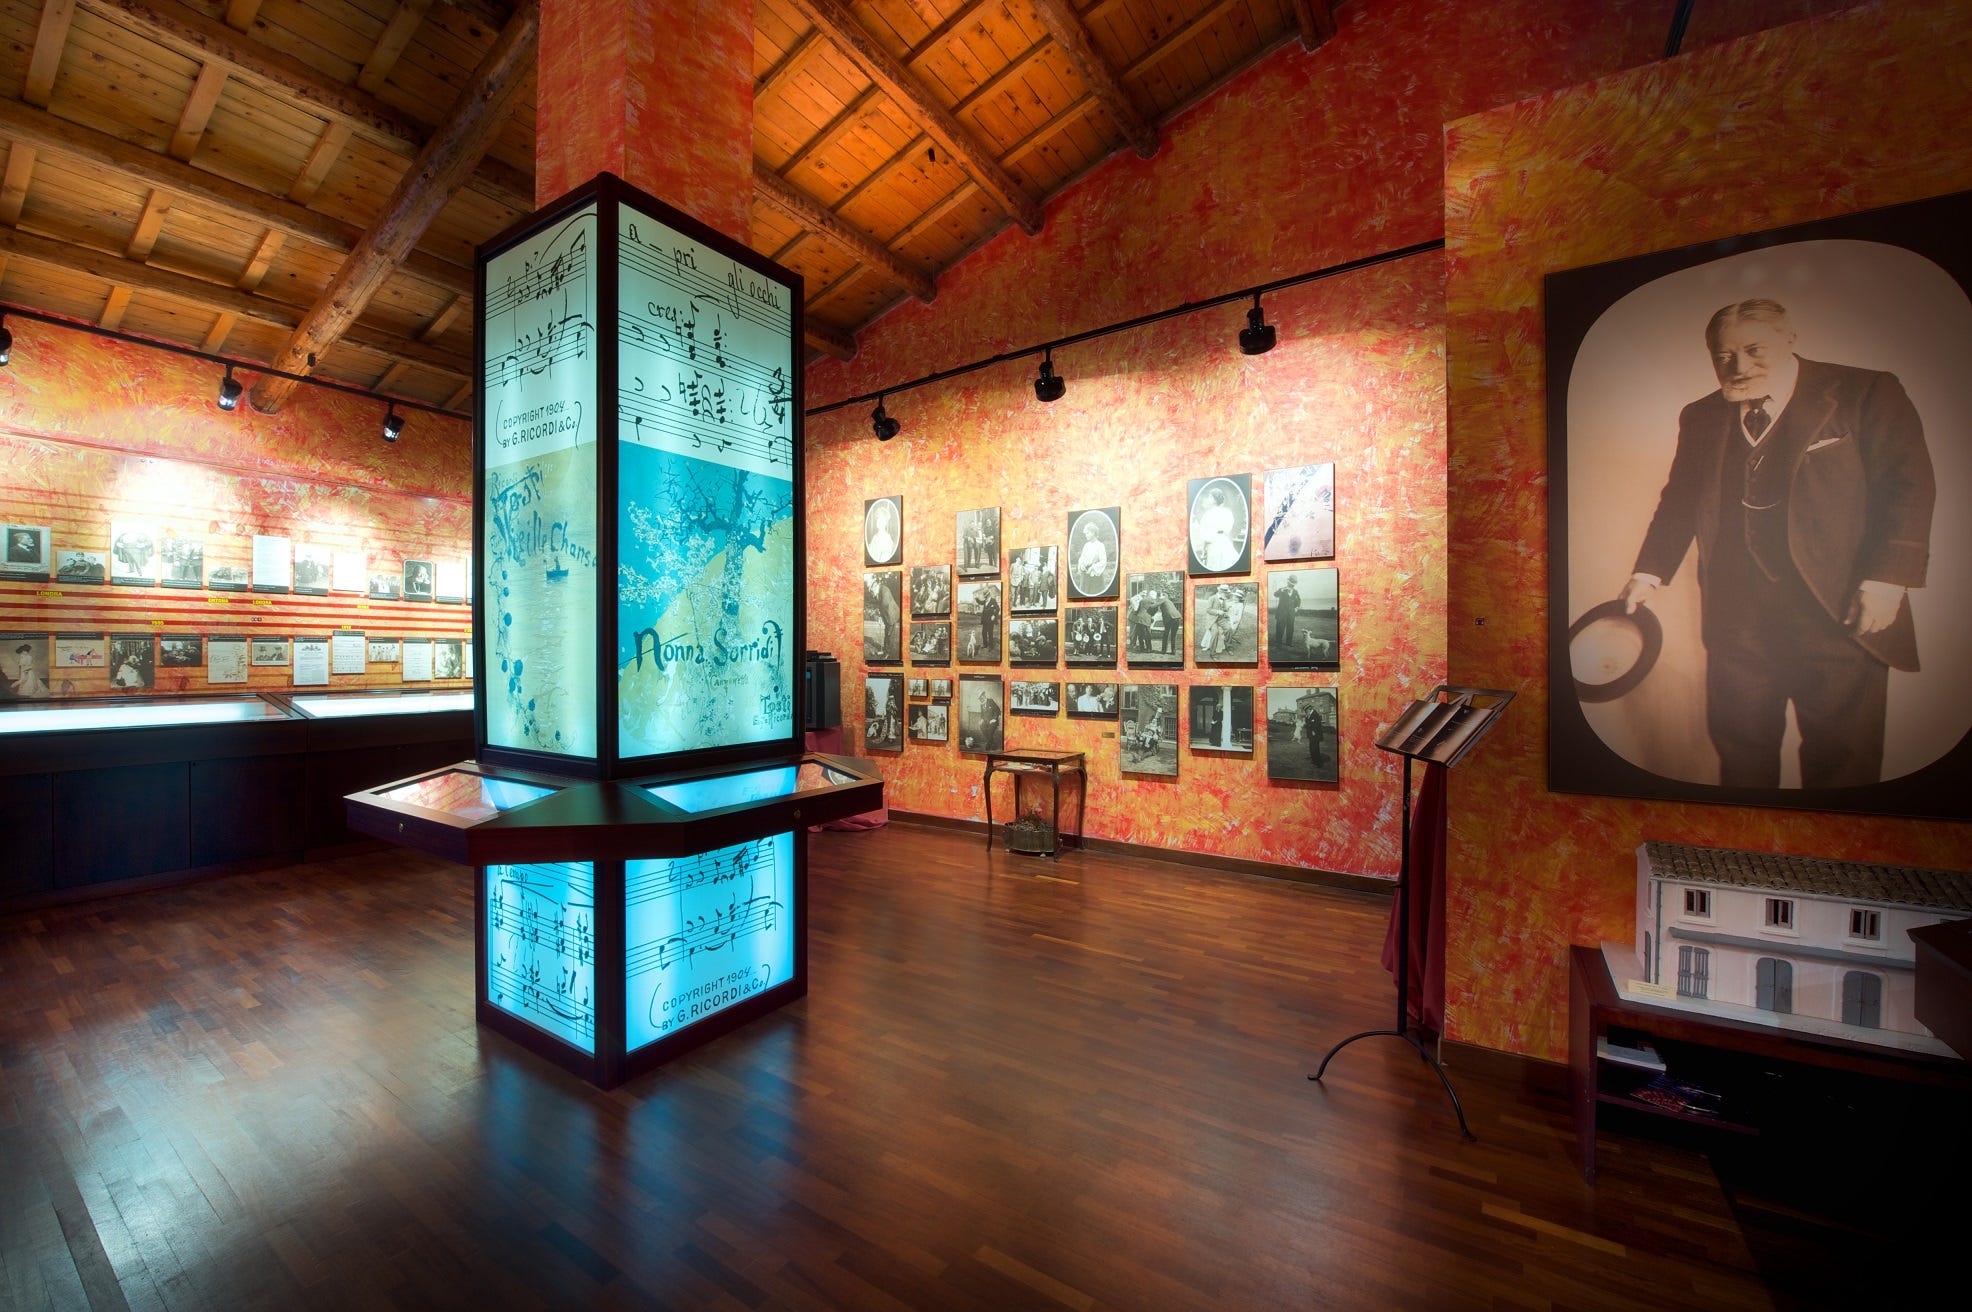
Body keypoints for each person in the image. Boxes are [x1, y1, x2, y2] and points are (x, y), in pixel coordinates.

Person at [1619, 298, 1935, 789]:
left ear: (1789, 340)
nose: (1738, 366)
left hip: (1839, 611)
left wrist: (1887, 581)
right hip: (1737, 620)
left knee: (1843, 762)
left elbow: (1908, 485)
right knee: (1741, 756)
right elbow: (1680, 498)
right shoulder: (1700, 415)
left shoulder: (1866, 391)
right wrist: (1648, 572)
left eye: (1754, 350)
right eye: (1723, 356)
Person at [1192, 485, 1240, 570]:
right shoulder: (1208, 514)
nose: (1208, 499)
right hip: (1214, 543)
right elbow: (1203, 531)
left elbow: (1227, 527)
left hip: (1221, 542)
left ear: (1215, 499)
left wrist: (1212, 536)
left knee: (1224, 562)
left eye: (1210, 497)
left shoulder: (1224, 512)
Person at [1073, 517, 1112, 595]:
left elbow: (1103, 561)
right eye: (1085, 533)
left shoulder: (1100, 545)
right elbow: (1082, 558)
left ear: (1093, 533)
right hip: (1085, 575)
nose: (1086, 535)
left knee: (1095, 595)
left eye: (1087, 533)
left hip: (1095, 576)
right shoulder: (1086, 545)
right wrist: (1082, 565)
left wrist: (1093, 567)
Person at [1271, 575, 1301, 654]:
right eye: (1291, 583)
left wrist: (1297, 607)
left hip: (1291, 614)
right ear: (1288, 582)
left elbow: (1299, 600)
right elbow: (1275, 594)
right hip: (1281, 613)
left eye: (1293, 583)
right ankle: (1278, 644)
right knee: (1280, 628)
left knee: (1290, 628)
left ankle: (1289, 643)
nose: (1292, 585)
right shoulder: (1282, 589)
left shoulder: (1295, 591)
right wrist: (1282, 590)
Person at [866, 499, 898, 564]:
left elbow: (883, 559)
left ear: (885, 522)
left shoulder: (887, 538)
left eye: (881, 519)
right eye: (877, 519)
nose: (879, 521)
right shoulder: (875, 537)